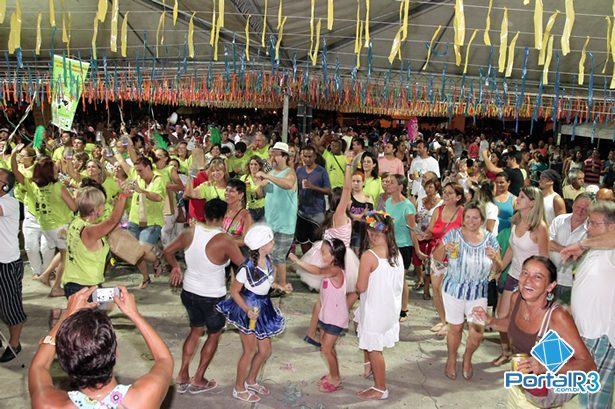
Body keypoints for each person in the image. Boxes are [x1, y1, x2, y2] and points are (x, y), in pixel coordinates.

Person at [473, 256, 597, 408]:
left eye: (537, 277)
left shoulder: (557, 317)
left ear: (550, 286)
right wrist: (490, 321)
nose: (527, 280)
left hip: (543, 394)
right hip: (519, 387)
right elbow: (510, 324)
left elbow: (589, 366)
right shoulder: (516, 297)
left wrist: (545, 367)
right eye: (525, 273)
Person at [28, 286, 174, 408]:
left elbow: (39, 366)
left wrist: (66, 315)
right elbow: (164, 359)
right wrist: (134, 314)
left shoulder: (46, 404)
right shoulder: (144, 399)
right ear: (115, 353)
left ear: (63, 362)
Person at [163, 198, 245, 394]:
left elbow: (167, 251)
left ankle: (183, 374)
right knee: (214, 334)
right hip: (212, 297)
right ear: (224, 217)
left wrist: (175, 267)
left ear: (205, 214)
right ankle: (198, 378)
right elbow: (242, 264)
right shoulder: (225, 239)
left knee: (195, 330)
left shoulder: (189, 232)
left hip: (189, 292)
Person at [216, 224, 285, 403]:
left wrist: (280, 286)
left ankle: (251, 380)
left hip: (263, 307)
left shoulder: (267, 259)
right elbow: (234, 291)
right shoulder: (246, 268)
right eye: (271, 241)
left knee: (265, 350)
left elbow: (267, 283)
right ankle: (238, 388)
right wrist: (246, 310)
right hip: (248, 308)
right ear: (262, 246)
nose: (273, 243)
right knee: (249, 351)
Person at [432, 203, 500, 380]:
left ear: (482, 220)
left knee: (477, 333)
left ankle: (468, 357)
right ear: (463, 219)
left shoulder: (491, 239)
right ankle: (452, 359)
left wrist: (495, 259)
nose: (471, 221)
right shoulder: (454, 235)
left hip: (478, 292)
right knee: (455, 328)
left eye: (475, 217)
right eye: (468, 217)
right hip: (454, 289)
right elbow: (437, 259)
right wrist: (443, 249)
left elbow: (498, 268)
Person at [295, 161, 359, 346]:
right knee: (344, 293)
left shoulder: (339, 216)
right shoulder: (339, 215)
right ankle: (324, 327)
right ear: (343, 201)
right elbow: (347, 189)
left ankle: (320, 328)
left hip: (337, 256)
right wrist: (348, 165)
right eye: (347, 198)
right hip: (337, 258)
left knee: (332, 295)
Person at [493, 186, 549, 366]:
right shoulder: (516, 221)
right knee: (501, 315)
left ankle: (524, 362)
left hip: (530, 283)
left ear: (532, 203)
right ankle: (506, 351)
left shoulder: (539, 228)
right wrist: (500, 268)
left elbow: (545, 259)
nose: (517, 198)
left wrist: (541, 288)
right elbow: (511, 248)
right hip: (513, 275)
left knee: (521, 323)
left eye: (522, 197)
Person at [11, 147, 77, 297]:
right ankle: (56, 287)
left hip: (46, 226)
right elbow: (73, 206)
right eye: (54, 168)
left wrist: (14, 154)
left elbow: (15, 171)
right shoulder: (57, 186)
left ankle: (45, 275)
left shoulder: (32, 184)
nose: (57, 170)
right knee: (66, 256)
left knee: (62, 252)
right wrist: (75, 195)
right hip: (61, 227)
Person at [569, 201, 615, 408]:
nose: (588, 228)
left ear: (611, 227)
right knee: (585, 395)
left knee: (596, 400)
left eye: (595, 223)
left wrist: (581, 245)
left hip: (602, 336)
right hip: (585, 333)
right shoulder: (597, 248)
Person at [354, 210, 404, 400]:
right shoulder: (396, 253)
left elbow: (361, 286)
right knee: (363, 329)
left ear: (385, 232)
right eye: (370, 231)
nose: (372, 235)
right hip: (389, 307)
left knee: (375, 349)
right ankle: (369, 365)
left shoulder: (369, 256)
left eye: (375, 231)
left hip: (375, 308)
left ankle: (380, 388)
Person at [289, 239, 348, 393]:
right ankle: (333, 373)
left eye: (323, 252)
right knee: (327, 347)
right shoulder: (329, 268)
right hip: (326, 315)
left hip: (335, 318)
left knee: (326, 350)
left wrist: (297, 260)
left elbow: (319, 272)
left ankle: (335, 379)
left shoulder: (335, 270)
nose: (321, 255)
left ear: (334, 255)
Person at [61, 186, 129, 297]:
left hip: (75, 284)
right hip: (84, 287)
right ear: (95, 210)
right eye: (102, 204)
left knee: (113, 300)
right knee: (119, 299)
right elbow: (113, 221)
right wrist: (123, 197)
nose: (104, 206)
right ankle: (62, 313)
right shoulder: (89, 232)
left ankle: (65, 312)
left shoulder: (76, 222)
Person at [419, 182, 465, 336]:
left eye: (450, 193)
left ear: (458, 197)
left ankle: (452, 323)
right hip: (437, 256)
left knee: (450, 292)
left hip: (455, 259)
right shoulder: (438, 210)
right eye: (444, 192)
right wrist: (425, 235)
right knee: (437, 289)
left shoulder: (463, 212)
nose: (445, 195)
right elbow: (431, 231)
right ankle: (444, 320)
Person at [256, 142, 298, 295]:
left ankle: (282, 285)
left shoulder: (290, 172)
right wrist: (260, 184)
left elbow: (288, 184)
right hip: (270, 223)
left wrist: (267, 176)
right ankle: (274, 284)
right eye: (271, 153)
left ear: (285, 156)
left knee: (279, 257)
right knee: (270, 255)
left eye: (276, 154)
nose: (272, 157)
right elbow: (262, 194)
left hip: (285, 224)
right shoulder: (272, 172)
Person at [384, 173, 420, 321]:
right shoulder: (387, 202)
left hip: (404, 246)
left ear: (400, 186)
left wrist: (417, 250)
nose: (387, 185)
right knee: (389, 277)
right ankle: (391, 304)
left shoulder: (408, 206)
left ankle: (404, 308)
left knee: (401, 278)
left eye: (391, 182)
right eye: (387, 182)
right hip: (389, 244)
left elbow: (413, 231)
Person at [548, 193, 592, 307]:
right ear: (573, 206)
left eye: (585, 209)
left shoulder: (591, 231)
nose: (580, 211)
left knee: (564, 317)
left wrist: (558, 247)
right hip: (551, 278)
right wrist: (567, 250)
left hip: (571, 284)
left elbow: (583, 257)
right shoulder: (559, 220)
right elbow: (547, 243)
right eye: (578, 207)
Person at [0, 169, 26, 363]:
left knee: (11, 308)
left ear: (6, 185)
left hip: (6, 264)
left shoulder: (10, 203)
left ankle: (15, 344)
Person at [295, 145, 331, 253]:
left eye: (310, 156)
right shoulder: (299, 170)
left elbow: (329, 191)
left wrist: (313, 187)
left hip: (317, 212)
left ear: (315, 156)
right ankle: (306, 261)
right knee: (302, 239)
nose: (307, 159)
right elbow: (295, 187)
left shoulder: (321, 171)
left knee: (317, 241)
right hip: (302, 211)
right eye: (305, 156)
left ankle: (316, 264)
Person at [411, 178, 442, 299]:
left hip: (432, 236)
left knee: (430, 263)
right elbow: (414, 216)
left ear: (436, 189)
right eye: (426, 187)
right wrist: (416, 217)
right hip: (419, 234)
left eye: (431, 187)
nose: (428, 190)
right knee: (417, 260)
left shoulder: (441, 203)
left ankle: (426, 290)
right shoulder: (421, 200)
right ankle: (420, 279)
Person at [348, 170, 374, 255]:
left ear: (363, 182)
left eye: (358, 181)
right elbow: (343, 214)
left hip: (361, 231)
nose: (356, 183)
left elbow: (368, 218)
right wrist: (360, 215)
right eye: (353, 181)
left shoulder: (368, 198)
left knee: (358, 255)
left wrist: (351, 215)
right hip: (347, 231)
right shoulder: (347, 197)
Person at [241, 156, 266, 222]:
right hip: (249, 209)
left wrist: (260, 184)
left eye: (256, 164)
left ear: (260, 166)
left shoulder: (264, 178)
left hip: (263, 208)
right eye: (251, 164)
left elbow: (265, 195)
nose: (253, 166)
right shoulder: (243, 178)